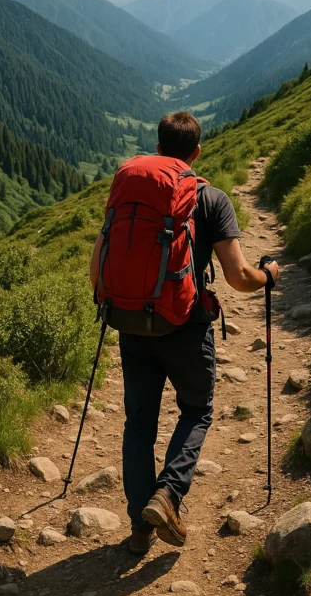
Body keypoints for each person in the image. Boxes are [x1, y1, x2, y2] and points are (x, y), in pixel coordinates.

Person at [90, 112, 279, 555]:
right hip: (185, 327)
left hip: (131, 324)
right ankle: (169, 495)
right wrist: (269, 276)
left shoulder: (127, 193)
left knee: (139, 424)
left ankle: (140, 526)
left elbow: (97, 265)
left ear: (158, 148)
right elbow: (238, 277)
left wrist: (123, 303)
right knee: (197, 408)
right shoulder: (211, 199)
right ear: (196, 152)